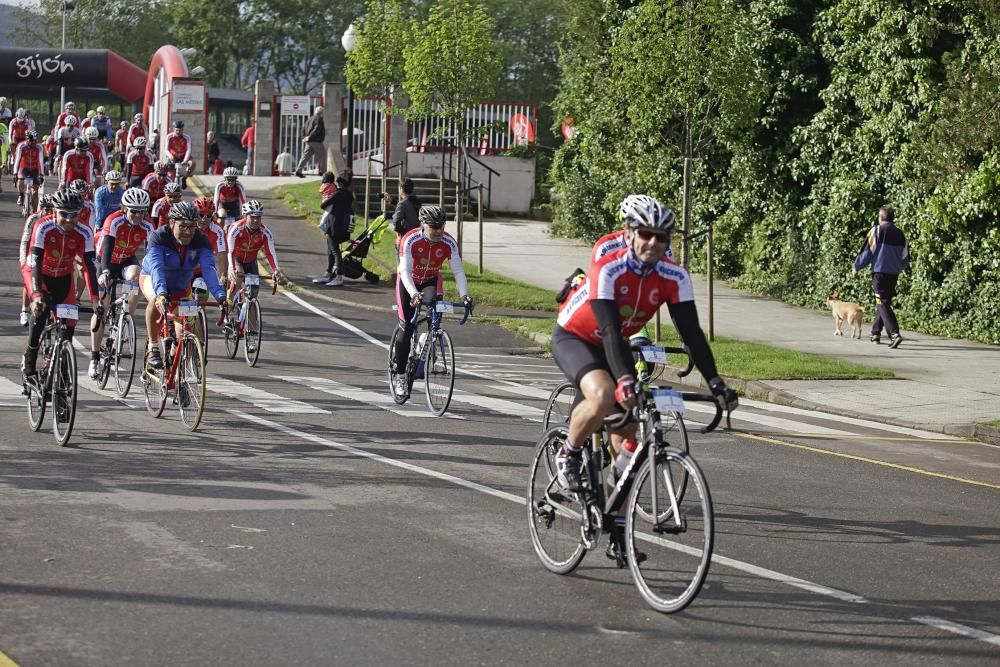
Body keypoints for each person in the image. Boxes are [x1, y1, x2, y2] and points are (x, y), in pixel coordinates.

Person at [551, 194, 737, 561]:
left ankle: (617, 531)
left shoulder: (674, 275)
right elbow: (607, 330)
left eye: (662, 237)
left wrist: (715, 383)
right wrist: (624, 381)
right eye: (647, 234)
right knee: (605, 394)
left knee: (629, 449)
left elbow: (692, 334)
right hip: (578, 336)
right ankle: (566, 455)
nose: (654, 243)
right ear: (630, 233)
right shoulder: (609, 267)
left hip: (616, 341)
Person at [390, 205, 473, 396]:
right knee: (406, 327)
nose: (438, 231)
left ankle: (424, 342)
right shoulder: (410, 239)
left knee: (435, 318)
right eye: (433, 227)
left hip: (430, 281)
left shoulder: (448, 242)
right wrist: (413, 294)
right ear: (422, 225)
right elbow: (404, 271)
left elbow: (458, 271)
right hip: (408, 282)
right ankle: (401, 376)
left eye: (441, 226)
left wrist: (464, 295)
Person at [21, 190, 100, 378]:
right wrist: (36, 294)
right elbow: (35, 261)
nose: (69, 220)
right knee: (40, 312)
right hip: (40, 275)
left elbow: (89, 266)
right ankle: (30, 354)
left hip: (64, 278)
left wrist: (96, 298)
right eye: (64, 214)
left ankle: (62, 381)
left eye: (74, 215)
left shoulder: (84, 232)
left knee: (68, 328)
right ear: (54, 212)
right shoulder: (43, 227)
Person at [139, 202, 228, 370]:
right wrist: (162, 293)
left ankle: (177, 368)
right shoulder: (159, 237)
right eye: (183, 226)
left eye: (192, 227)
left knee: (185, 332)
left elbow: (209, 270)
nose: (188, 232)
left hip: (181, 286)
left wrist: (221, 296)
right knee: (155, 300)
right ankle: (153, 348)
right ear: (172, 223)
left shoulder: (201, 240)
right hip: (154, 280)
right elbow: (156, 268)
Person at [88, 187, 156, 378]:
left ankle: (126, 319)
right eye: (133, 211)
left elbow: (151, 253)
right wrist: (106, 272)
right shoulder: (114, 220)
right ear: (124, 209)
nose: (137, 216)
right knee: (103, 306)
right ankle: (94, 357)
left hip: (126, 260)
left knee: (136, 275)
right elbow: (106, 249)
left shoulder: (148, 225)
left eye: (142, 211)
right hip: (106, 260)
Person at [854, 205, 909, 348]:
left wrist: (857, 267)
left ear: (881, 217)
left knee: (882, 302)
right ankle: (875, 333)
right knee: (883, 302)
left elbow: (867, 251)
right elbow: (905, 258)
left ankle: (894, 334)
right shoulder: (900, 234)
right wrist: (898, 267)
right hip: (893, 274)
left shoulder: (877, 231)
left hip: (879, 273)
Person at [226, 200, 283, 304]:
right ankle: (227, 313)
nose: (256, 220)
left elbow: (270, 252)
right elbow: (230, 250)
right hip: (236, 259)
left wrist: (276, 270)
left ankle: (250, 317)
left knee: (253, 296)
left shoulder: (265, 232)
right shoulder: (236, 228)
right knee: (237, 280)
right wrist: (231, 267)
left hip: (251, 262)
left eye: (258, 217)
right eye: (252, 217)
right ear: (245, 216)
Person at [317, 175, 354, 286]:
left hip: (334, 225)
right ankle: (329, 273)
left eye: (337, 184)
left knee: (334, 252)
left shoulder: (338, 194)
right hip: (344, 225)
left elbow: (323, 205)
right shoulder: (349, 195)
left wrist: (328, 198)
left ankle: (338, 276)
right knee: (332, 250)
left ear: (340, 184)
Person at [12, 130, 44, 209]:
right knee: (20, 181)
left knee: (35, 193)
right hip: (24, 168)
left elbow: (41, 161)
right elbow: (17, 160)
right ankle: (21, 195)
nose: (33, 142)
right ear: (27, 139)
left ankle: (34, 213)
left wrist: (41, 174)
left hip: (35, 169)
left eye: (35, 140)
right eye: (31, 140)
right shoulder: (21, 146)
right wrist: (15, 173)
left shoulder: (39, 147)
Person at [384, 178, 423, 243]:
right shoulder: (417, 201)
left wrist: (401, 232)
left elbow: (396, 222)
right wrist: (392, 201)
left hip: (406, 238)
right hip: (417, 236)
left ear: (401, 189)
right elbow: (408, 209)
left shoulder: (402, 204)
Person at [294, 105, 325, 177]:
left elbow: (303, 128)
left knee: (305, 156)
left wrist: (304, 137)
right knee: (323, 156)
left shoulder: (310, 119)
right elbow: (317, 129)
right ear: (321, 112)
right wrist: (310, 137)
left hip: (309, 141)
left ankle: (298, 171)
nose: (323, 114)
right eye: (323, 112)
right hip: (316, 141)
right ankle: (323, 172)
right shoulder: (319, 119)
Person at [164, 119, 193, 187]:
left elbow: (189, 150)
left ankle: (184, 178)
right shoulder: (169, 137)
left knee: (192, 163)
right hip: (173, 156)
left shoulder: (187, 138)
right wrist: (170, 156)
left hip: (183, 156)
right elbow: (166, 149)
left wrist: (185, 160)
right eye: (176, 130)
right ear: (173, 129)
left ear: (182, 130)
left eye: (180, 130)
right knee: (171, 175)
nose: (178, 132)